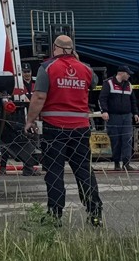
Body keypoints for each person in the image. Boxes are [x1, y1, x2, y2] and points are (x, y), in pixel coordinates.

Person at [25, 35, 103, 226]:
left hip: (55, 128)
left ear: (55, 48)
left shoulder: (47, 68)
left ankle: (55, 215)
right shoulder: (85, 69)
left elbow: (39, 97)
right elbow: (94, 82)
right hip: (81, 129)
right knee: (84, 171)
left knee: (54, 172)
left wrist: (30, 120)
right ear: (72, 49)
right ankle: (95, 213)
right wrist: (76, 61)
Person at [0, 66, 40, 175]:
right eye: (25, 72)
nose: (27, 74)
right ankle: (3, 167)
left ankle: (28, 166)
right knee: (9, 143)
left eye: (28, 71)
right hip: (17, 115)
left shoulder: (35, 83)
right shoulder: (17, 84)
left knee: (30, 140)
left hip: (30, 114)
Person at [100, 66, 139, 170]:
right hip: (113, 116)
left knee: (127, 139)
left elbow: (133, 100)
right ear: (122, 73)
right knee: (115, 140)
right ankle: (116, 163)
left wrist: (135, 113)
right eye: (128, 73)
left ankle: (126, 163)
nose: (129, 75)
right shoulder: (108, 83)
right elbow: (102, 98)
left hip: (127, 116)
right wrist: (104, 111)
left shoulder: (129, 85)